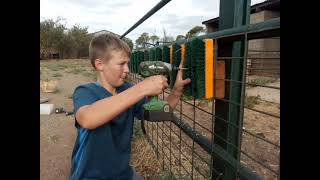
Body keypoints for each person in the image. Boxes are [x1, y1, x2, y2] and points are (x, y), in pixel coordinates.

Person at [69, 33, 191, 180]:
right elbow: (88, 119)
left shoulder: (127, 90)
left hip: (122, 174)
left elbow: (160, 114)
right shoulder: (85, 91)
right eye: (121, 64)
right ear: (99, 64)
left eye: (127, 63)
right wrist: (142, 88)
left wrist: (177, 90)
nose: (127, 69)